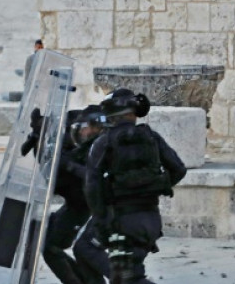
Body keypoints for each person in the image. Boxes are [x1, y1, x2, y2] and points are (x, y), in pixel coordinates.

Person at [85, 89, 186, 284]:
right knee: (122, 278)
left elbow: (92, 185)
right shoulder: (151, 137)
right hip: (150, 220)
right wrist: (156, 186)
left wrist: (100, 221)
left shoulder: (104, 142)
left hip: (122, 223)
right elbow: (178, 170)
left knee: (129, 279)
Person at [41, 105, 109, 284]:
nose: (82, 132)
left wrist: (68, 165)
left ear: (97, 127)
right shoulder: (88, 144)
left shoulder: (106, 144)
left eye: (85, 128)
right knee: (50, 245)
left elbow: (93, 175)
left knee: (85, 250)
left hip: (103, 207)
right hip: (78, 202)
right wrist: (39, 138)